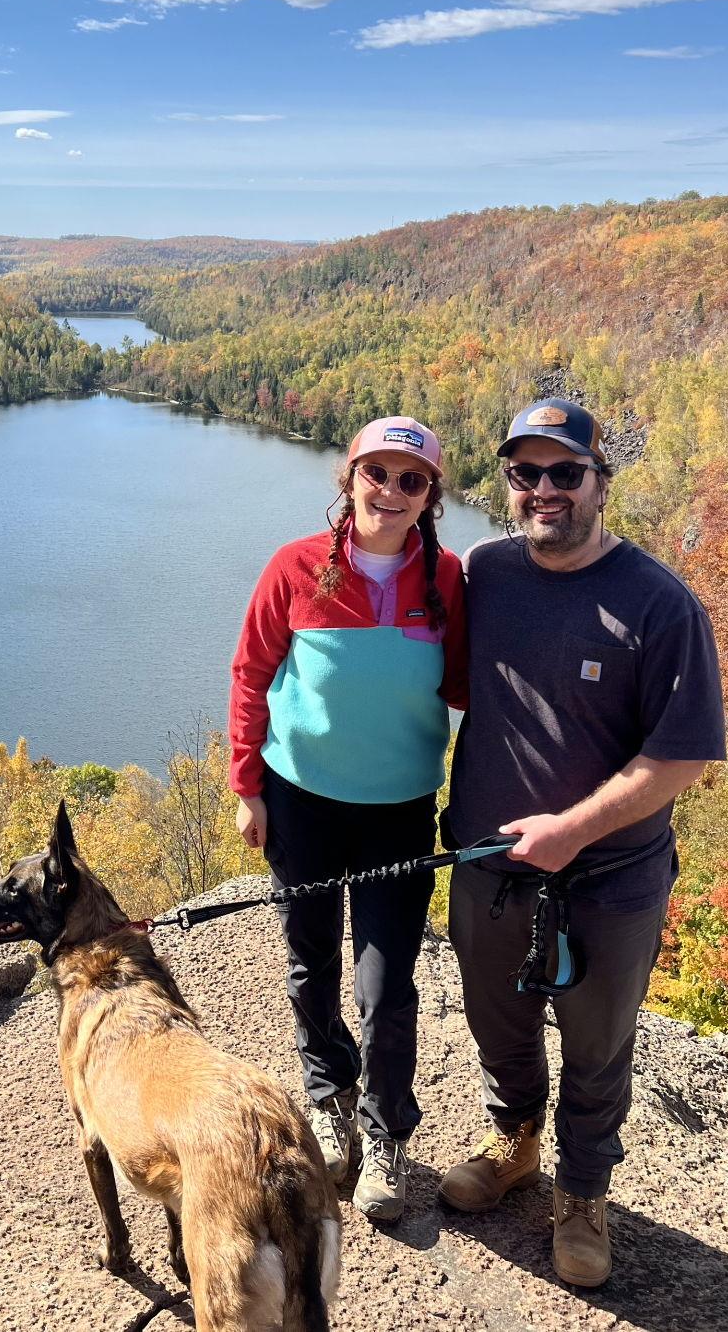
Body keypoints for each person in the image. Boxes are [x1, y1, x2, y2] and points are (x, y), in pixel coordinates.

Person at [436, 397, 725, 1288]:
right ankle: (516, 1142)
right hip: (488, 868)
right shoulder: (485, 573)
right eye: (526, 473)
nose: (544, 490)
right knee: (499, 1024)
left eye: (566, 472)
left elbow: (682, 757)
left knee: (597, 1048)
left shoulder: (659, 604)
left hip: (610, 882)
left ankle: (585, 1192)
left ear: (601, 483)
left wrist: (574, 830)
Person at [229, 416, 467, 1224]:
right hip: (301, 801)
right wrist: (247, 784)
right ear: (350, 475)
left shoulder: (449, 580)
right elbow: (252, 673)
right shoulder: (295, 567)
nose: (391, 493)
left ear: (431, 496)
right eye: (378, 474)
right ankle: (329, 1095)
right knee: (310, 964)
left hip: (398, 812)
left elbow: (474, 689)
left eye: (412, 481)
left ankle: (387, 1133)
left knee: (386, 984)